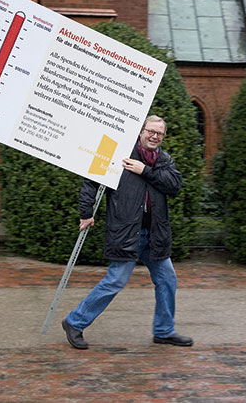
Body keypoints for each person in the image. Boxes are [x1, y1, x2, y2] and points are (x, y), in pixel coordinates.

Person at [62, 115, 193, 349]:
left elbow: (174, 186)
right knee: (115, 281)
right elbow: (91, 180)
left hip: (154, 235)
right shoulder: (118, 154)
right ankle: (74, 322)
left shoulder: (163, 160)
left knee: (167, 279)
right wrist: (86, 212)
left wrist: (145, 171)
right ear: (141, 131)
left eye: (159, 134)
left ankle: (164, 331)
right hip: (127, 232)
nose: (155, 136)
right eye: (150, 131)